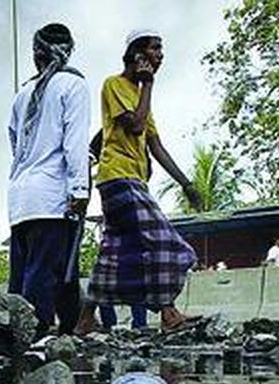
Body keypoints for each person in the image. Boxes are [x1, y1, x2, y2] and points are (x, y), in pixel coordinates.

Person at [75, 30, 202, 335]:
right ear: (138, 55)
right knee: (162, 240)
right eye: (155, 48)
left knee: (114, 252)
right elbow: (135, 125)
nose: (161, 55)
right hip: (118, 177)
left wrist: (185, 183)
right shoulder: (114, 85)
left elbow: (155, 145)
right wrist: (147, 85)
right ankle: (168, 312)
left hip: (132, 180)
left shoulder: (141, 93)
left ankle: (85, 318)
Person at [8, 23, 92, 336]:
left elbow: (15, 142)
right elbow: (75, 143)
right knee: (46, 273)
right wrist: (79, 187)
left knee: (28, 273)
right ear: (68, 51)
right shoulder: (73, 85)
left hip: (20, 197)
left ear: (35, 55)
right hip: (51, 195)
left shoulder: (23, 93)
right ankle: (36, 336)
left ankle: (62, 330)